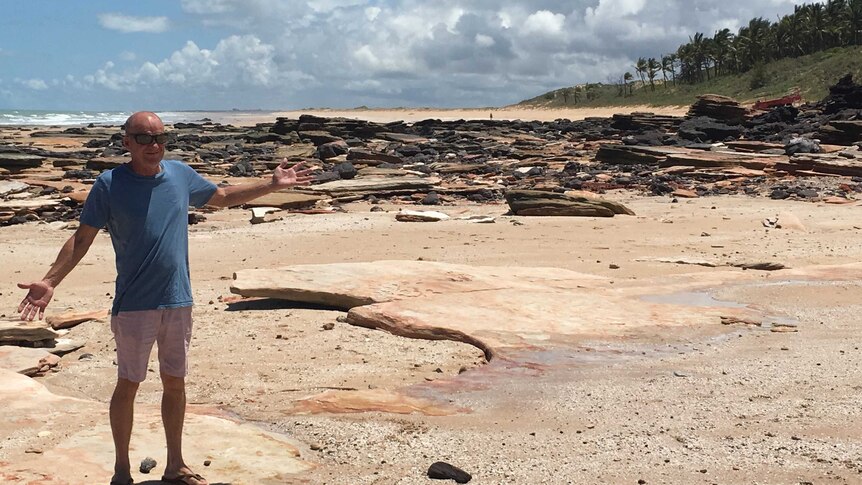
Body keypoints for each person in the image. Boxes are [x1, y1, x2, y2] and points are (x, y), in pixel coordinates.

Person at [16, 111, 313, 485]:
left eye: (160, 137)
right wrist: (50, 280)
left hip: (178, 300)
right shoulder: (109, 184)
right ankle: (122, 470)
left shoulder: (179, 174)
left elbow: (220, 197)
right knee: (129, 383)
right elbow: (82, 237)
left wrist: (270, 186)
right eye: (143, 138)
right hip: (134, 304)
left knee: (176, 382)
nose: (153, 145)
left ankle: (175, 465)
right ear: (126, 142)